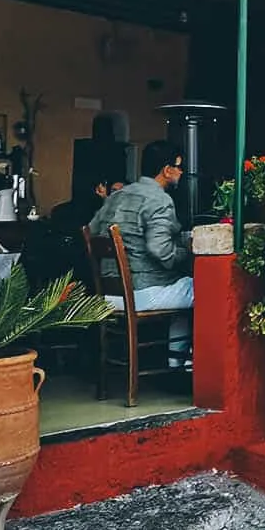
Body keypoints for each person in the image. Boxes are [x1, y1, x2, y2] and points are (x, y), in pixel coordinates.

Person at [89, 141, 192, 366]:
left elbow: (92, 230)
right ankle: (183, 365)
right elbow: (160, 249)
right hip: (142, 293)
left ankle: (177, 363)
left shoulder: (116, 196)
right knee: (202, 290)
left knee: (184, 289)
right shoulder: (160, 200)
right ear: (167, 170)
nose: (181, 171)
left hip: (109, 295)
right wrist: (187, 252)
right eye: (178, 166)